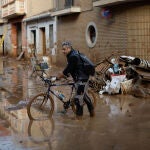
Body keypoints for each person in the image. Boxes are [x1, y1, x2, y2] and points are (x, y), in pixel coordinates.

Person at [57, 41, 95, 119]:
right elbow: (72, 68)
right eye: (62, 49)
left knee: (78, 99)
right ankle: (92, 113)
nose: (63, 51)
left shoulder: (73, 56)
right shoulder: (72, 54)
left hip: (82, 79)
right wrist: (65, 75)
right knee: (83, 96)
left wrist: (61, 75)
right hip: (81, 78)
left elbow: (68, 68)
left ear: (69, 48)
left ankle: (79, 118)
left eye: (64, 49)